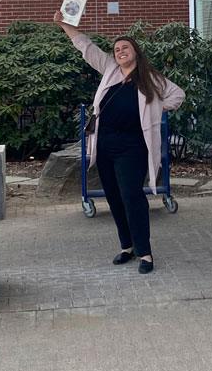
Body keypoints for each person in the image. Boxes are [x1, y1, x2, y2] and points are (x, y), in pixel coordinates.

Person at [56, 14, 184, 274]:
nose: (120, 51)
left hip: (132, 147)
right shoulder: (110, 70)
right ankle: (127, 246)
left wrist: (155, 110)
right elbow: (86, 47)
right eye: (116, 49)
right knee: (114, 197)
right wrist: (65, 25)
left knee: (132, 196)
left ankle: (144, 252)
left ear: (136, 51)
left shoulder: (150, 78)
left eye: (125, 47)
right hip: (105, 147)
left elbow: (177, 94)